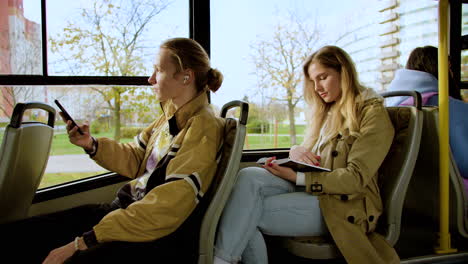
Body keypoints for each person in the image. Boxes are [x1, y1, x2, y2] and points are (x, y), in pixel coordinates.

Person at [0, 37, 225, 263]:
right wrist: (91, 144)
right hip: (125, 215)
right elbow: (137, 158)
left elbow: (168, 205)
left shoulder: (203, 127)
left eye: (158, 70)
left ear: (186, 76)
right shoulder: (169, 118)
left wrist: (83, 241)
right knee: (18, 235)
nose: (150, 79)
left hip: (149, 235)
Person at [213, 45, 399, 264]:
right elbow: (314, 159)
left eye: (323, 77)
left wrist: (297, 177)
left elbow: (354, 179)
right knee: (248, 176)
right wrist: (296, 152)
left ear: (344, 73)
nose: (317, 87)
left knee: (245, 214)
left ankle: (220, 260)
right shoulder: (327, 112)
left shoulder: (372, 115)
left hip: (346, 204)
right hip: (318, 191)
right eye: (313, 81)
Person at [386, 45, 468, 180]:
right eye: (450, 68)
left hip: (408, 191)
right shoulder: (455, 108)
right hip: (449, 193)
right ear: (444, 70)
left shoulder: (396, 107)